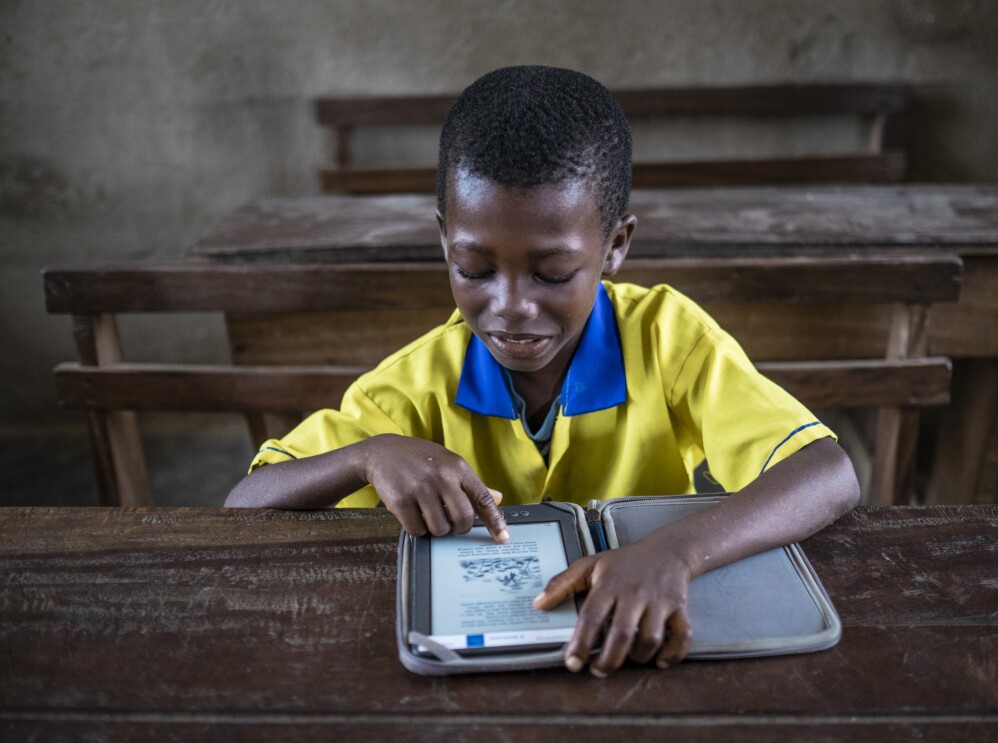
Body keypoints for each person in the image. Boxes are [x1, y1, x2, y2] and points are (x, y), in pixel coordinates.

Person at [226, 65, 859, 677]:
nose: (510, 307)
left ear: (615, 246)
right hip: (485, 657)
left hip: (641, 631)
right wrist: (365, 456)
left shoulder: (667, 338)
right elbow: (246, 505)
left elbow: (828, 475)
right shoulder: (417, 382)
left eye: (553, 273)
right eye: (474, 268)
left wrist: (673, 552)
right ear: (445, 240)